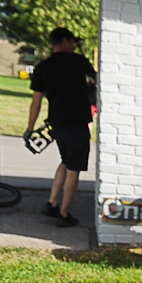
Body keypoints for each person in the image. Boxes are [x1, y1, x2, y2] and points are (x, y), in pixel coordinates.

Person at [26, 27, 97, 228]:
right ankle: (64, 214)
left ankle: (52, 202)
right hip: (77, 124)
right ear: (65, 42)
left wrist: (30, 129)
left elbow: (36, 102)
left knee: (66, 161)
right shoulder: (79, 62)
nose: (74, 45)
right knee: (74, 168)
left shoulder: (43, 67)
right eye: (72, 41)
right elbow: (97, 81)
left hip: (56, 125)